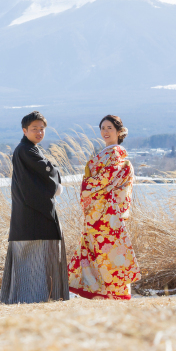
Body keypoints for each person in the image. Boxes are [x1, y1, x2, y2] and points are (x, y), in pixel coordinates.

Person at [0, 111, 70, 304]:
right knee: (35, 257)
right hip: (33, 214)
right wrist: (55, 186)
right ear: (24, 130)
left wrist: (52, 180)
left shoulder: (28, 149)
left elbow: (43, 172)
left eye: (42, 129)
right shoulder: (26, 150)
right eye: (34, 129)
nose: (39, 132)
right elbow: (46, 171)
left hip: (28, 214)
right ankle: (34, 297)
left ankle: (28, 296)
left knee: (30, 258)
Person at [68, 114, 141, 300]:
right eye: (103, 128)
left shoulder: (116, 153)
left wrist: (87, 186)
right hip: (100, 212)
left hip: (107, 213)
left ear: (119, 131)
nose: (105, 131)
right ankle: (104, 291)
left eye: (110, 128)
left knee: (109, 252)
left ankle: (113, 291)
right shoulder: (106, 153)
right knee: (104, 252)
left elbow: (105, 180)